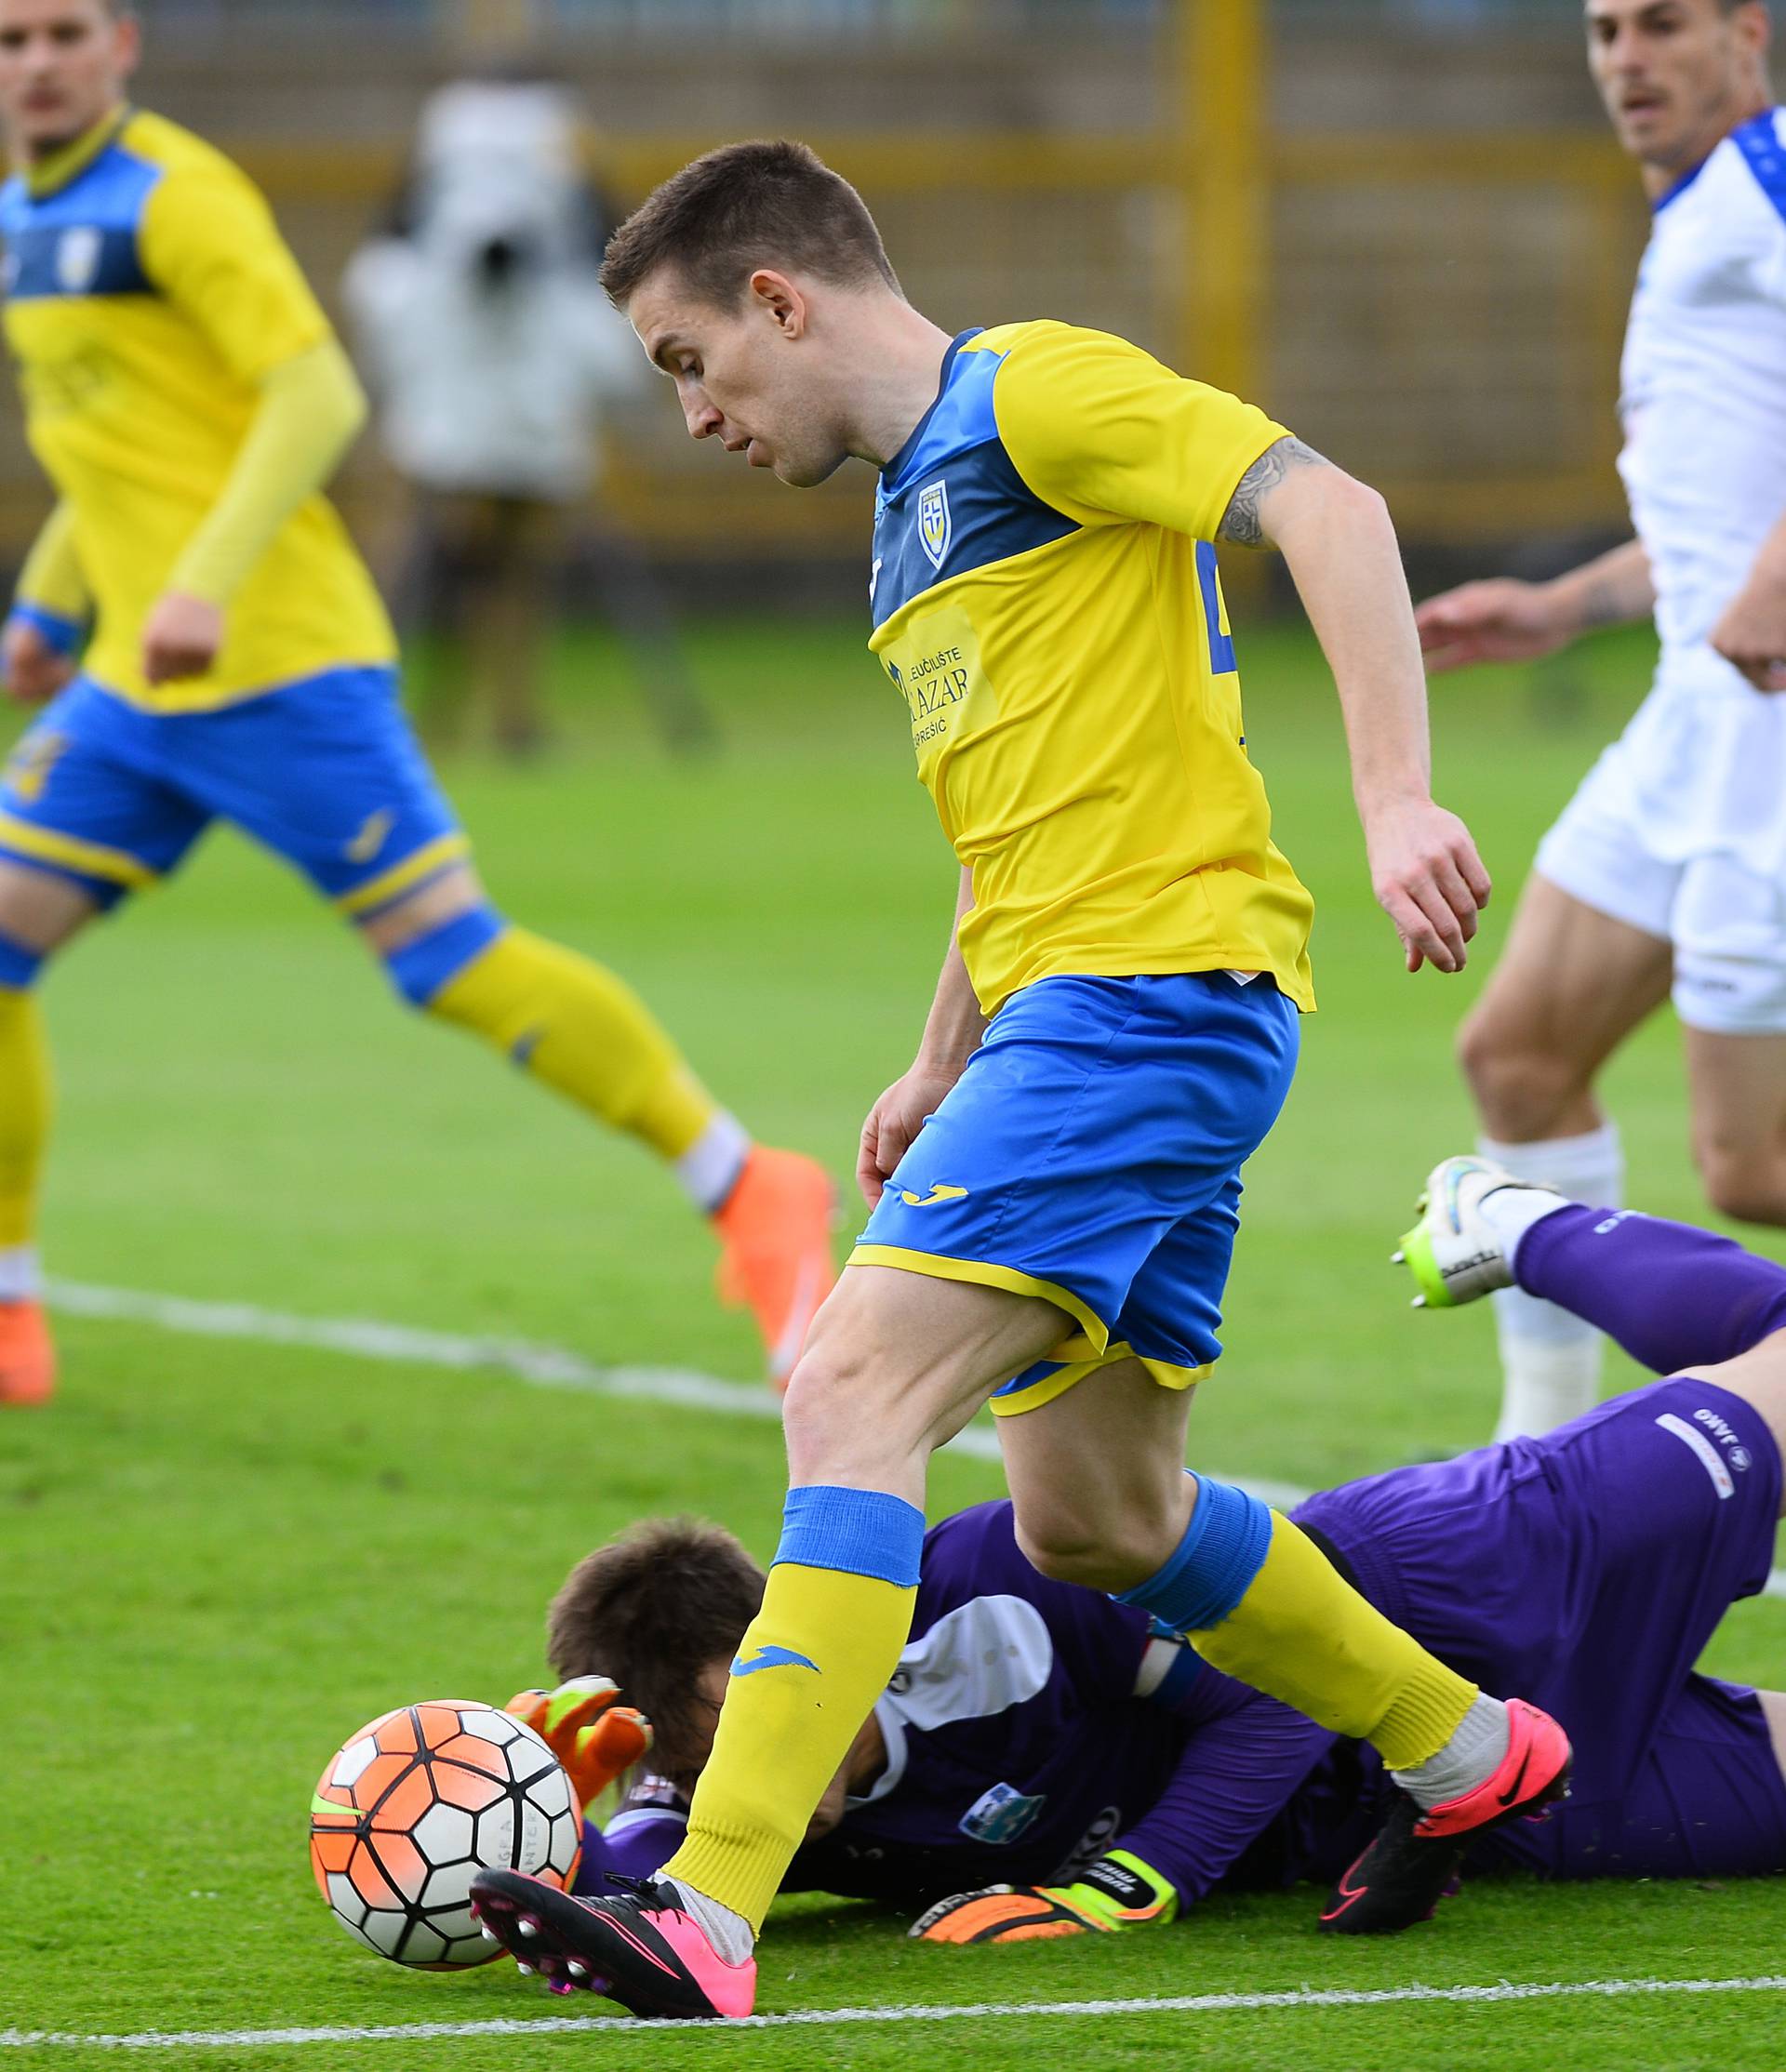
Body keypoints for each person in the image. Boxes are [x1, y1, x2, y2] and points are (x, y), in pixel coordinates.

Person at [462, 138, 1573, 2021]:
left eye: (686, 361)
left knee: (846, 1382)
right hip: (1093, 1012)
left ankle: (710, 1911)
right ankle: (1467, 1753)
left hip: (1143, 1005)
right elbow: (1020, 816)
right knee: (1101, 1519)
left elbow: (1338, 510)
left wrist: (1396, 798)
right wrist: (935, 1049)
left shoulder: (1035, 392)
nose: (693, 411)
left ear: (778, 300)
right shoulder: (912, 510)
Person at [0, 0, 836, 1406]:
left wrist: (204, 583)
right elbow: (120, 443)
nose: (36, 64)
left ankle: (751, 1186)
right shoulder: (30, 211)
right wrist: (50, 601)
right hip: (134, 685)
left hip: (278, 666)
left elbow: (314, 398)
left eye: (63, 35)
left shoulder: (175, 199)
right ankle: (13, 1301)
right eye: (10, 41)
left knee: (447, 961)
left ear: (122, 45)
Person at [484, 1165, 1786, 1976]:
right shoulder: (726, 1806)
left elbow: (1272, 1690)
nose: (727, 1774)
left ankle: (1512, 1220)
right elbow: (601, 1895)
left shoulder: (1002, 1575)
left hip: (1444, 1581)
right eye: (690, 1768)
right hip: (1432, 1810)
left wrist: (1132, 1884)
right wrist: (551, 1818)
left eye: (723, 1724)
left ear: (776, 1643)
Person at [1415, 0, 1786, 1444]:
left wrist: (1774, 571)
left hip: (1768, 739)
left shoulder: (1767, 173)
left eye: (1664, 26)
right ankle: (1541, 1462)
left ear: (1747, 34)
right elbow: (1715, 523)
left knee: (1750, 1166)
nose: (1627, 59)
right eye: (1604, 29)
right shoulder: (1703, 213)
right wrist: (1565, 606)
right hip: (1693, 716)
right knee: (1517, 1056)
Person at [343, 74, 712, 760]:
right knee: (443, 557)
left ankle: (507, 714)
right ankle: (431, 713)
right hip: (464, 412)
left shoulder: (510, 213)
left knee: (514, 563)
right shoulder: (462, 230)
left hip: (521, 410)